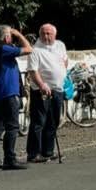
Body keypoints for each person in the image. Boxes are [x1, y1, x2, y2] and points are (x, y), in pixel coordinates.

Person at [0, 24, 33, 171]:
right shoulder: (4, 48)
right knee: (12, 127)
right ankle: (9, 159)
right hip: (8, 93)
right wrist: (19, 35)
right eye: (11, 36)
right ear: (6, 37)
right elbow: (29, 49)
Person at [25, 23, 67, 163]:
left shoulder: (60, 45)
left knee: (53, 120)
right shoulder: (35, 50)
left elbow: (64, 60)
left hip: (57, 88)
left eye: (49, 33)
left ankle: (47, 151)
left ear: (55, 35)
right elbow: (33, 70)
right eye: (43, 33)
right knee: (39, 121)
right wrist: (42, 84)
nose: (46, 36)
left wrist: (62, 74)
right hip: (41, 90)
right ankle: (33, 153)